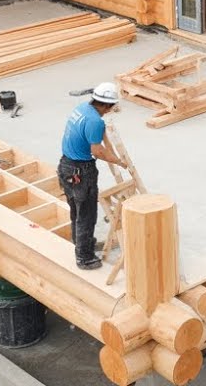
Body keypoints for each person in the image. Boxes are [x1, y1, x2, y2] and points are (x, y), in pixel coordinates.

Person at [59, 82, 127, 270]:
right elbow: (98, 151)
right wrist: (119, 161)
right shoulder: (95, 121)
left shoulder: (81, 108)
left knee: (76, 211)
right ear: (106, 105)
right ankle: (84, 257)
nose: (109, 111)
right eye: (110, 108)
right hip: (81, 171)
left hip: (66, 166)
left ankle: (82, 245)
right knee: (87, 215)